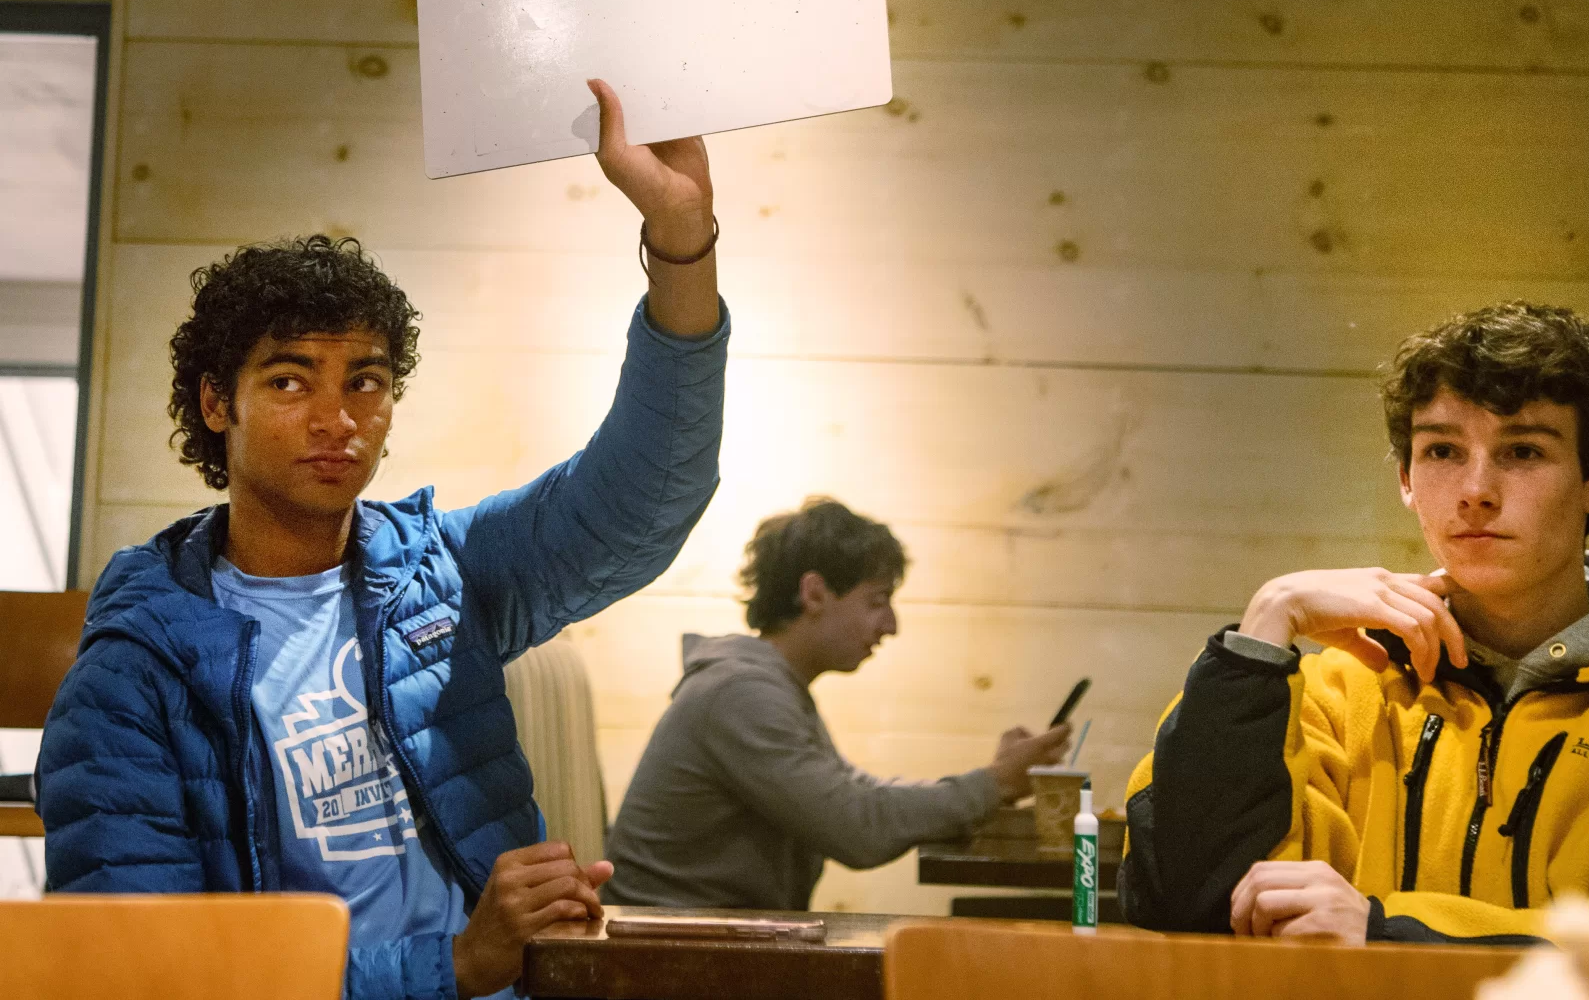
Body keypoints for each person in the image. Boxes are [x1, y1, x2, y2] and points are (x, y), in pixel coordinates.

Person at [36, 81, 723, 1000]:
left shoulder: (439, 572)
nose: (336, 417)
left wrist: (681, 240)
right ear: (215, 404)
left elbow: (642, 498)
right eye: (288, 382)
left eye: (365, 380)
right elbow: (142, 975)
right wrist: (456, 966)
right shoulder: (130, 674)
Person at [1118, 302, 1589, 976]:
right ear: (1405, 477)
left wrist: (1387, 934)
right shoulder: (1327, 689)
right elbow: (1183, 903)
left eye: (1522, 451)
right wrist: (1265, 621)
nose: (1475, 488)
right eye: (1441, 452)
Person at [602, 497, 1072, 910]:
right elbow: (857, 828)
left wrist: (995, 781)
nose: (890, 625)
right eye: (877, 601)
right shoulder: (741, 694)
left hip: (700, 940)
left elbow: (856, 796)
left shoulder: (769, 686)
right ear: (815, 593)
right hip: (659, 954)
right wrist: (992, 785)